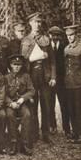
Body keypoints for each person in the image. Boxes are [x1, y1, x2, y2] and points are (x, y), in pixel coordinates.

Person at [21, 12, 56, 144]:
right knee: (32, 105)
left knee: (46, 105)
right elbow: (24, 62)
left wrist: (53, 76)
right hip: (32, 76)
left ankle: (46, 133)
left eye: (39, 22)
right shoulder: (25, 40)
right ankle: (34, 133)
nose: (37, 24)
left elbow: (52, 61)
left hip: (45, 76)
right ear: (30, 23)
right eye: (35, 22)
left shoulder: (46, 39)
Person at [64, 25, 81, 143]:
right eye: (68, 35)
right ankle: (75, 133)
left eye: (72, 35)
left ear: (76, 35)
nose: (70, 37)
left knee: (78, 109)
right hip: (68, 84)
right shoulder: (66, 49)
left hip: (78, 84)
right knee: (70, 109)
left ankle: (80, 134)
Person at [5, 54, 36, 155]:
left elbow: (32, 90)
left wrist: (22, 99)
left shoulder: (26, 76)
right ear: (11, 65)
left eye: (19, 64)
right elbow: (3, 94)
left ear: (22, 65)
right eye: (14, 64)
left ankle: (25, 144)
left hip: (22, 103)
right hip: (11, 104)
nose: (17, 67)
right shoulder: (6, 77)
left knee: (27, 114)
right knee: (9, 115)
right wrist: (10, 103)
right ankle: (13, 143)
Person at [48, 25, 71, 138]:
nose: (55, 37)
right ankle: (52, 126)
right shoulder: (46, 47)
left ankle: (67, 128)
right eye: (53, 35)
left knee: (64, 104)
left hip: (62, 82)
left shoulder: (65, 47)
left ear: (60, 36)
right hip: (50, 81)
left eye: (57, 35)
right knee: (50, 104)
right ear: (50, 35)